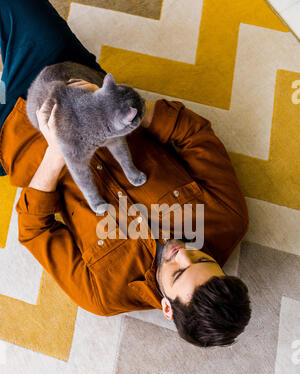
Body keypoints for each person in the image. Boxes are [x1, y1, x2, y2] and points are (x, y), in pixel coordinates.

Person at [0, 0, 251, 348]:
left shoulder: (102, 294)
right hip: (66, 78)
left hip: (15, 142)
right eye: (203, 257)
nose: (181, 250)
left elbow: (33, 230)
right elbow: (194, 135)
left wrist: (57, 154)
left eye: (178, 271)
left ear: (167, 308)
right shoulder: (228, 218)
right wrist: (122, 109)